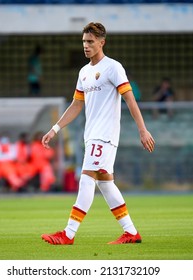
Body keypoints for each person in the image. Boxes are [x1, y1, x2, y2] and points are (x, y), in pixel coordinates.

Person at [40, 22, 155, 245]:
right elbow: (75, 105)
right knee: (105, 183)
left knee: (86, 179)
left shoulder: (113, 67)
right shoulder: (84, 72)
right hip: (92, 135)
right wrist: (54, 129)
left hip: (105, 135)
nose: (86, 45)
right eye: (84, 41)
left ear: (102, 42)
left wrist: (143, 130)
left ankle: (68, 233)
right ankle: (131, 232)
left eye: (90, 41)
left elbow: (130, 99)